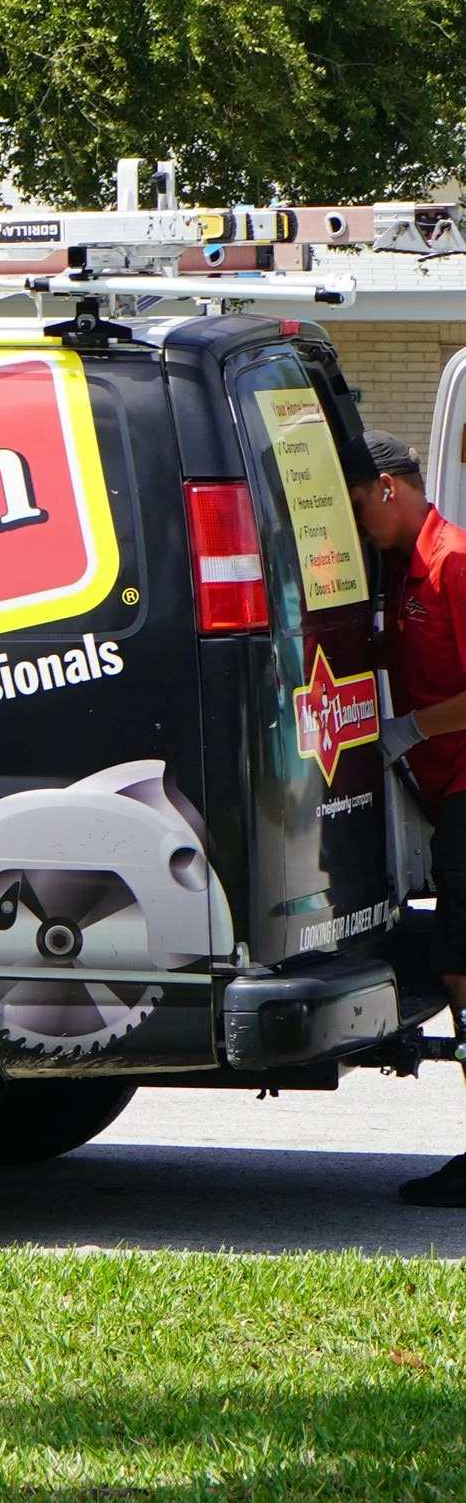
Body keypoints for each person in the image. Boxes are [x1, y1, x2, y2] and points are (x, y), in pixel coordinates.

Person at [350, 428, 466, 1204]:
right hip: (443, 791)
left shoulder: (452, 564)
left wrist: (412, 729)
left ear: (389, 489)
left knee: (462, 966)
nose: (356, 521)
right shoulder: (399, 571)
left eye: (358, 502)